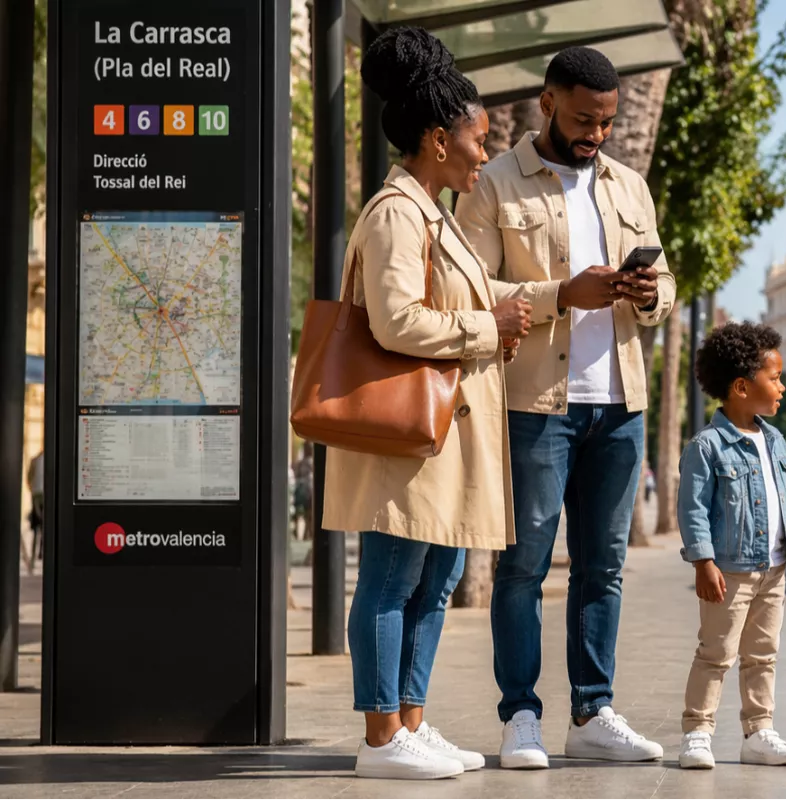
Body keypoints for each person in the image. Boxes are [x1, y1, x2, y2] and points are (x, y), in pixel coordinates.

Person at [322, 27, 537, 781]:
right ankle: (381, 737)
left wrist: (541, 301)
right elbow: (395, 321)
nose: (486, 154)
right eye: (477, 140)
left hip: (444, 439)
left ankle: (411, 720)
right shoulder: (396, 213)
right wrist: (488, 325)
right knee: (389, 579)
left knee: (435, 580)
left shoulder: (433, 211)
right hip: (406, 435)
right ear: (438, 139)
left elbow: (473, 300)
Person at [455, 45, 675, 767]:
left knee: (603, 567)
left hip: (619, 405)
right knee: (523, 566)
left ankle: (593, 711)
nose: (597, 134)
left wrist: (650, 296)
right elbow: (467, 290)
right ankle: (520, 714)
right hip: (534, 405)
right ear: (548, 102)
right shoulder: (493, 184)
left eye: (608, 121)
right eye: (584, 119)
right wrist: (558, 298)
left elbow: (664, 282)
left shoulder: (629, 187)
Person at [675, 322, 786, 770]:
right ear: (741, 387)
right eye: (775, 378)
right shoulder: (707, 446)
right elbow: (693, 509)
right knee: (716, 653)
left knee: (763, 654)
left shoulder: (775, 440)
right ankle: (697, 733)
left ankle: (759, 732)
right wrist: (703, 561)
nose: (782, 386)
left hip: (774, 569)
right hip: (731, 572)